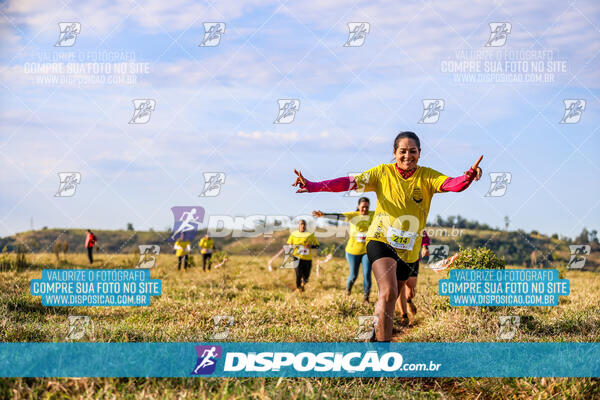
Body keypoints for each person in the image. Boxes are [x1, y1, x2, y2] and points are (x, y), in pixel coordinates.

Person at [292, 131, 482, 341]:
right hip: (380, 240)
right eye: (402, 151)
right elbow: (347, 182)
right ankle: (383, 356)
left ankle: (373, 334)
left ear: (419, 153)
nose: (407, 156)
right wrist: (313, 186)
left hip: (409, 250)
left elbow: (453, 185)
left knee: (391, 298)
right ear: (394, 152)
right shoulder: (382, 173)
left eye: (413, 151)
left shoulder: (427, 176)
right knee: (389, 292)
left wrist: (468, 176)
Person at [312, 197, 374, 304]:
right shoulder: (353, 215)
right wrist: (324, 215)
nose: (365, 209)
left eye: (367, 207)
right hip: (352, 251)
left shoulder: (373, 215)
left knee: (367, 274)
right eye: (363, 207)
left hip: (367, 251)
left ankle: (366, 299)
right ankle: (348, 291)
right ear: (358, 206)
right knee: (354, 275)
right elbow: (339, 216)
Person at [396, 230, 430, 326]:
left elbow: (424, 235)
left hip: (413, 259)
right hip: (398, 259)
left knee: (411, 290)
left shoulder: (415, 220)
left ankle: (408, 300)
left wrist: (424, 247)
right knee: (400, 286)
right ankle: (404, 316)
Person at [286, 219, 320, 292]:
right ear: (298, 225)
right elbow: (289, 244)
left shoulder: (310, 235)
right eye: (301, 224)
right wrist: (291, 246)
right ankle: (298, 288)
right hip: (297, 257)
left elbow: (317, 246)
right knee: (298, 274)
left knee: (306, 277)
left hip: (307, 259)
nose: (303, 225)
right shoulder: (293, 234)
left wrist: (310, 246)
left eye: (304, 224)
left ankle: (302, 285)